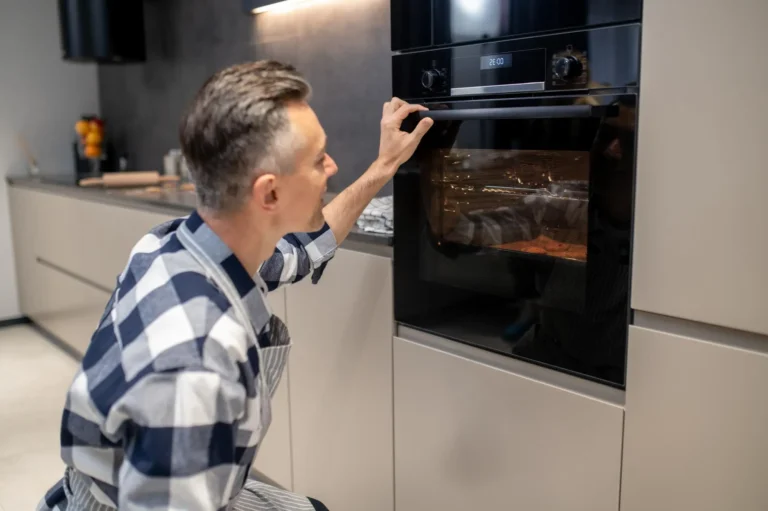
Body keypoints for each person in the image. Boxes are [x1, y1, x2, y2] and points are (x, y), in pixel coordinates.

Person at [37, 60, 434, 511]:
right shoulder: (197, 362)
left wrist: (385, 165)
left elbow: (305, 250)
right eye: (318, 158)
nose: (332, 166)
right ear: (269, 195)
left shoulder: (180, 245)